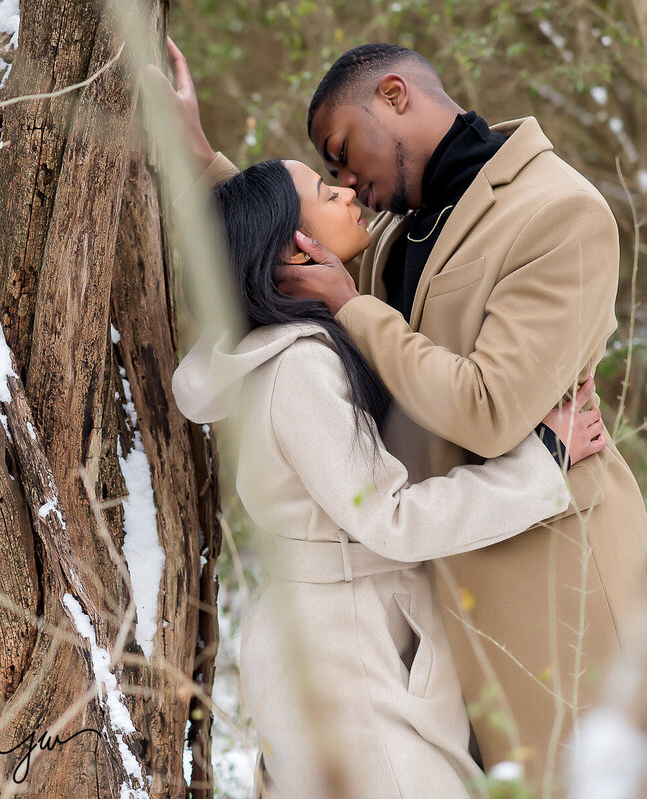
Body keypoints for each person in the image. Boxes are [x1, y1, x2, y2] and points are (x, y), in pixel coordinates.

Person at [151, 39, 647, 786]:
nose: (349, 182)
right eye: (333, 176)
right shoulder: (406, 220)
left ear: (393, 95)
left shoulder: (560, 214)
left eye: (343, 153)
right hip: (438, 583)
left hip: (552, 577)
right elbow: (288, 250)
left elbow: (488, 411)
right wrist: (204, 161)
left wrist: (351, 305)